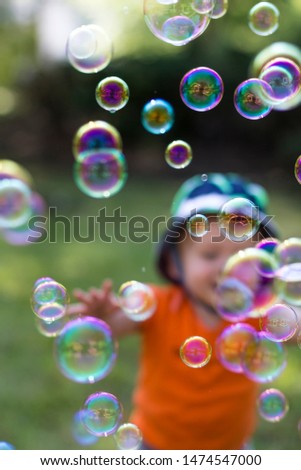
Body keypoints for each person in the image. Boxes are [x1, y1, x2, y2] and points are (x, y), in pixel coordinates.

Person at [69, 173, 279, 450]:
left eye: (242, 257)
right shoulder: (157, 304)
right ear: (173, 264)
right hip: (156, 445)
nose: (226, 268)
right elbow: (109, 331)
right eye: (210, 255)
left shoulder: (262, 312)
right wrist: (103, 321)